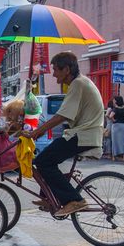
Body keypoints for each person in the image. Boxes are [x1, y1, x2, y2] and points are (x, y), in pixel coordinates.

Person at [22, 52, 104, 216]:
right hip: (82, 133)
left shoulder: (77, 84)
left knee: (43, 161)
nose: (53, 74)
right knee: (46, 158)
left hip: (84, 135)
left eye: (55, 70)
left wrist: (37, 132)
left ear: (66, 69)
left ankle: (75, 200)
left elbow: (63, 115)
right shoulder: (80, 83)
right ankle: (49, 197)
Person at [109, 96, 124, 162]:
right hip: (123, 125)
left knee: (115, 141)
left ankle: (114, 156)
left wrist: (114, 120)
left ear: (117, 101)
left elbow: (110, 116)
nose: (113, 101)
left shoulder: (115, 109)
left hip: (116, 126)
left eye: (114, 100)